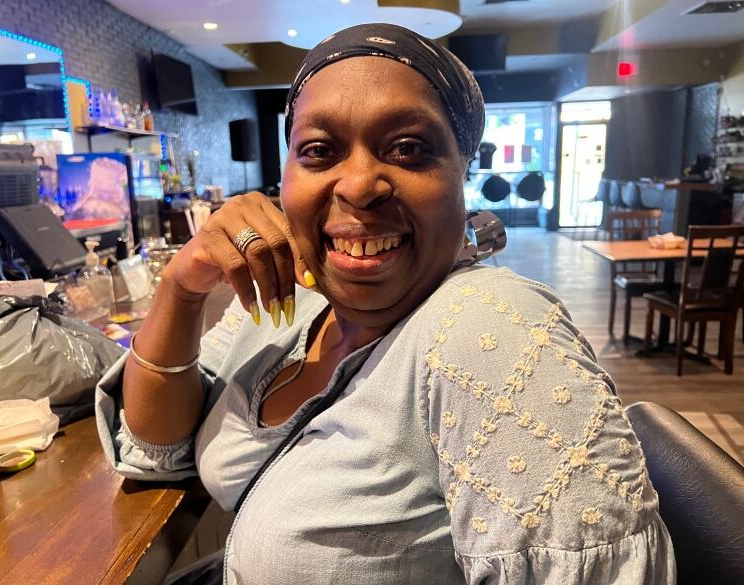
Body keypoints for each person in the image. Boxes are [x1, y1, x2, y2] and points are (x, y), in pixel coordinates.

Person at [96, 23, 675, 585]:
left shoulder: (488, 327)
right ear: (285, 175)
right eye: (319, 151)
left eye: (408, 148)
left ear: (463, 172)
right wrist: (181, 287)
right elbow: (158, 443)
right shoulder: (289, 303)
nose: (358, 184)